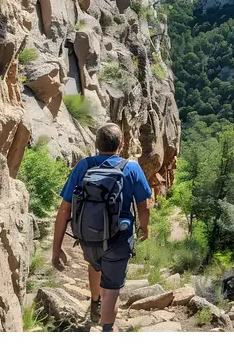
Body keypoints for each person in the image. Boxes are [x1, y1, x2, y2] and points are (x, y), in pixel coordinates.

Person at [51, 122, 152, 331]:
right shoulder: (131, 168)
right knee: (112, 291)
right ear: (121, 144)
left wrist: (56, 249)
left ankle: (94, 301)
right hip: (120, 238)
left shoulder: (83, 166)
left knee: (95, 264)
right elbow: (144, 206)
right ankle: (107, 329)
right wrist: (144, 230)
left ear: (96, 144)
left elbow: (64, 210)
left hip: (89, 237)